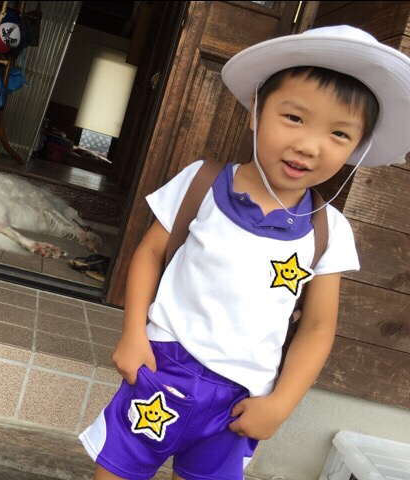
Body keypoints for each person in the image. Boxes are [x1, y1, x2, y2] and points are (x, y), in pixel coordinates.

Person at [79, 25, 410, 480]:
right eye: (293, 118)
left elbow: (317, 328)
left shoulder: (329, 232)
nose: (308, 145)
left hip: (240, 402)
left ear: (357, 147)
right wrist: (133, 333)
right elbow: (149, 254)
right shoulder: (201, 184)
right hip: (161, 371)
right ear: (257, 111)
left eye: (339, 133)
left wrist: (281, 404)